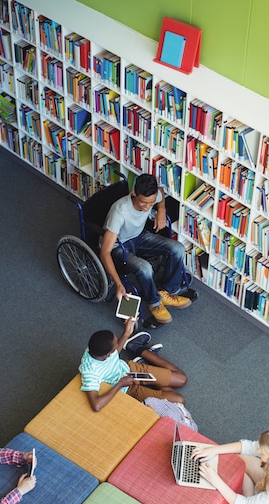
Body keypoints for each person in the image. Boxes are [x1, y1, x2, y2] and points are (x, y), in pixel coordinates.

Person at [100, 173, 192, 324]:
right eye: (143, 202)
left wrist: (161, 211)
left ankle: (167, 292)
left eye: (151, 203)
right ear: (134, 193)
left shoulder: (153, 196)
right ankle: (154, 303)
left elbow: (161, 192)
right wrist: (118, 284)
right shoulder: (119, 211)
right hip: (119, 245)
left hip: (139, 237)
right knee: (145, 268)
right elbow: (104, 253)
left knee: (178, 249)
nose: (148, 207)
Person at [79, 318, 187, 412]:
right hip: (127, 389)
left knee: (182, 379)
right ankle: (143, 362)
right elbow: (96, 405)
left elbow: (115, 354)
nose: (118, 345)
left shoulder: (95, 348)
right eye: (116, 344)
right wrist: (120, 383)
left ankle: (136, 347)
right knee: (179, 400)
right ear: (108, 354)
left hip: (129, 368)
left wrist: (126, 333)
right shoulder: (89, 371)